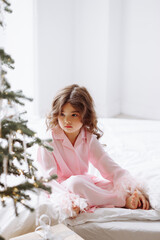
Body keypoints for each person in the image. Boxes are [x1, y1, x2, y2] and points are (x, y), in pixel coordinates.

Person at [37, 84, 149, 218]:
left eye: (74, 115)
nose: (67, 120)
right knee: (75, 183)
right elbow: (49, 180)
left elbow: (110, 167)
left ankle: (117, 196)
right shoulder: (47, 142)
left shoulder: (88, 138)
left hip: (84, 184)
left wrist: (131, 188)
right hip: (62, 188)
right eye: (62, 114)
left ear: (85, 116)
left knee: (104, 184)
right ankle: (120, 200)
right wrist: (68, 200)